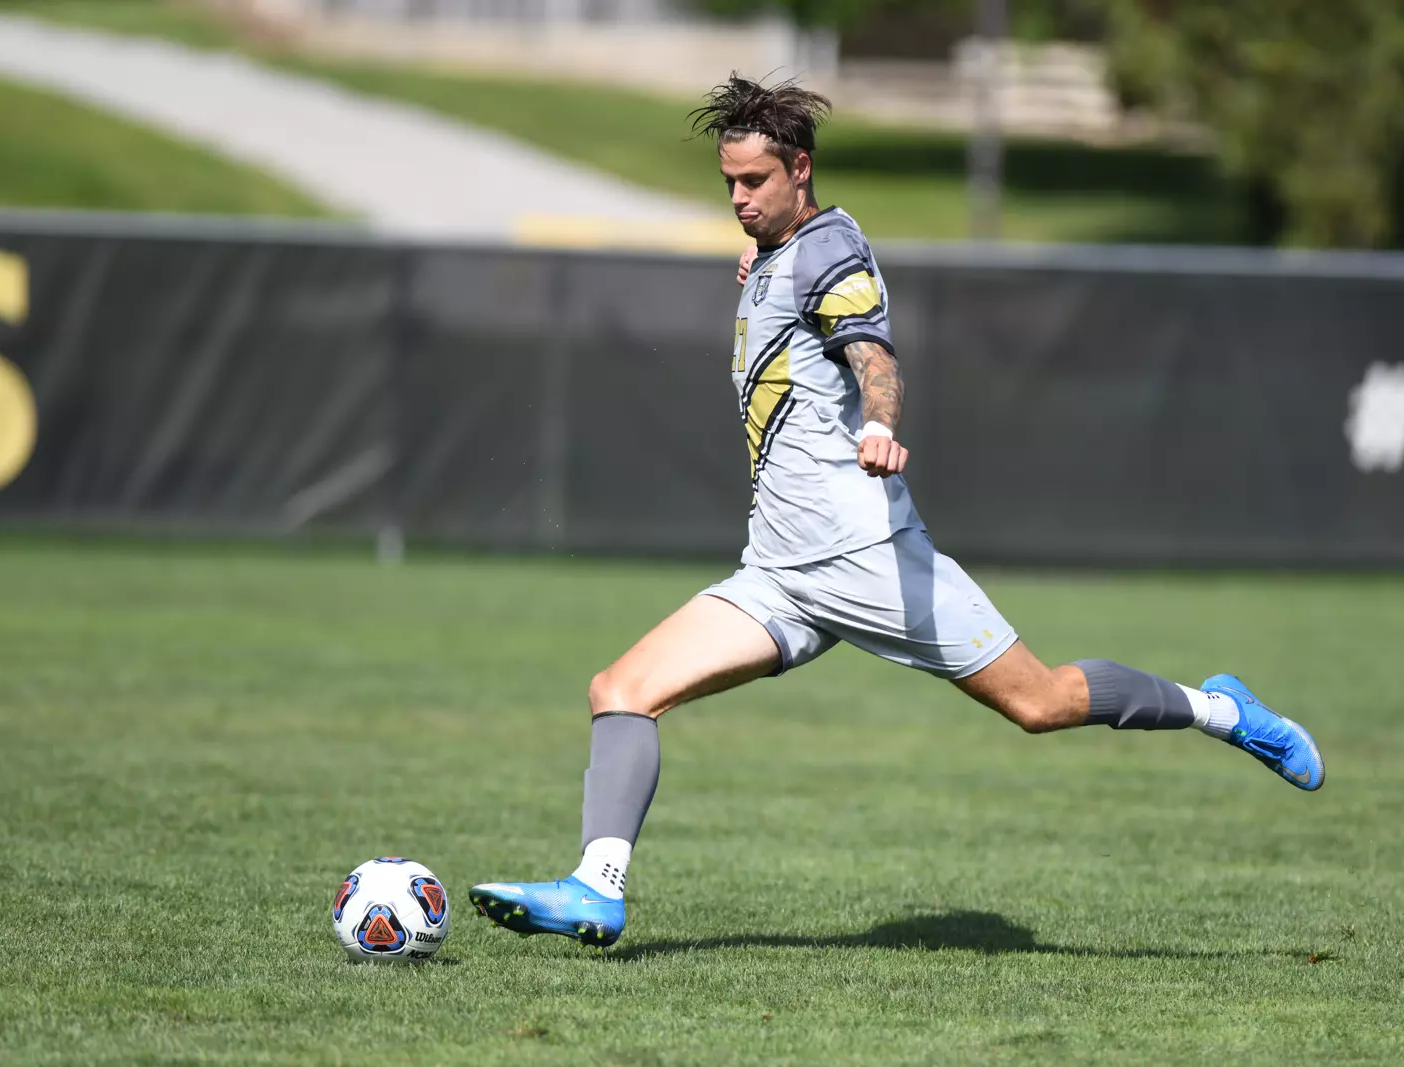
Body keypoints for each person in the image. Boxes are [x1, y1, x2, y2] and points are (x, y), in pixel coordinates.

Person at [468, 74, 1323, 950]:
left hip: (868, 559)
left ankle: (1222, 710)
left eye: (754, 183)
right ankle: (596, 890)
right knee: (621, 690)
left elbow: (874, 356)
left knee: (1044, 701)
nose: (737, 199)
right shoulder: (774, 251)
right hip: (779, 575)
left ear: (799, 170)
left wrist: (880, 423)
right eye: (727, 183)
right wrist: (763, 255)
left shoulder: (829, 252)